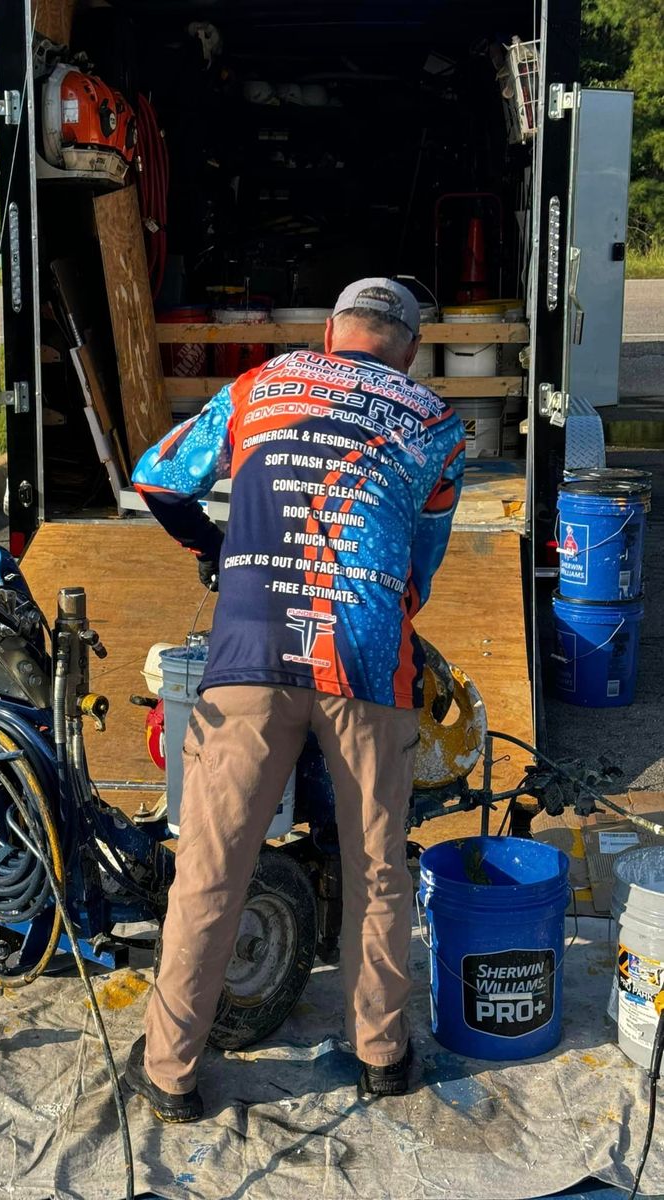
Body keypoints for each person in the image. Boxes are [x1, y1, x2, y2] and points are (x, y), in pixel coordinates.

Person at [126, 278, 466, 1121]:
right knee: (378, 866)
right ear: (411, 350)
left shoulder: (260, 385)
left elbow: (157, 480)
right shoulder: (434, 422)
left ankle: (171, 1070)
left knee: (211, 865)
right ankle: (382, 1056)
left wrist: (216, 547)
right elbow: (422, 565)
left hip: (248, 654)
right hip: (365, 661)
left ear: (329, 333)